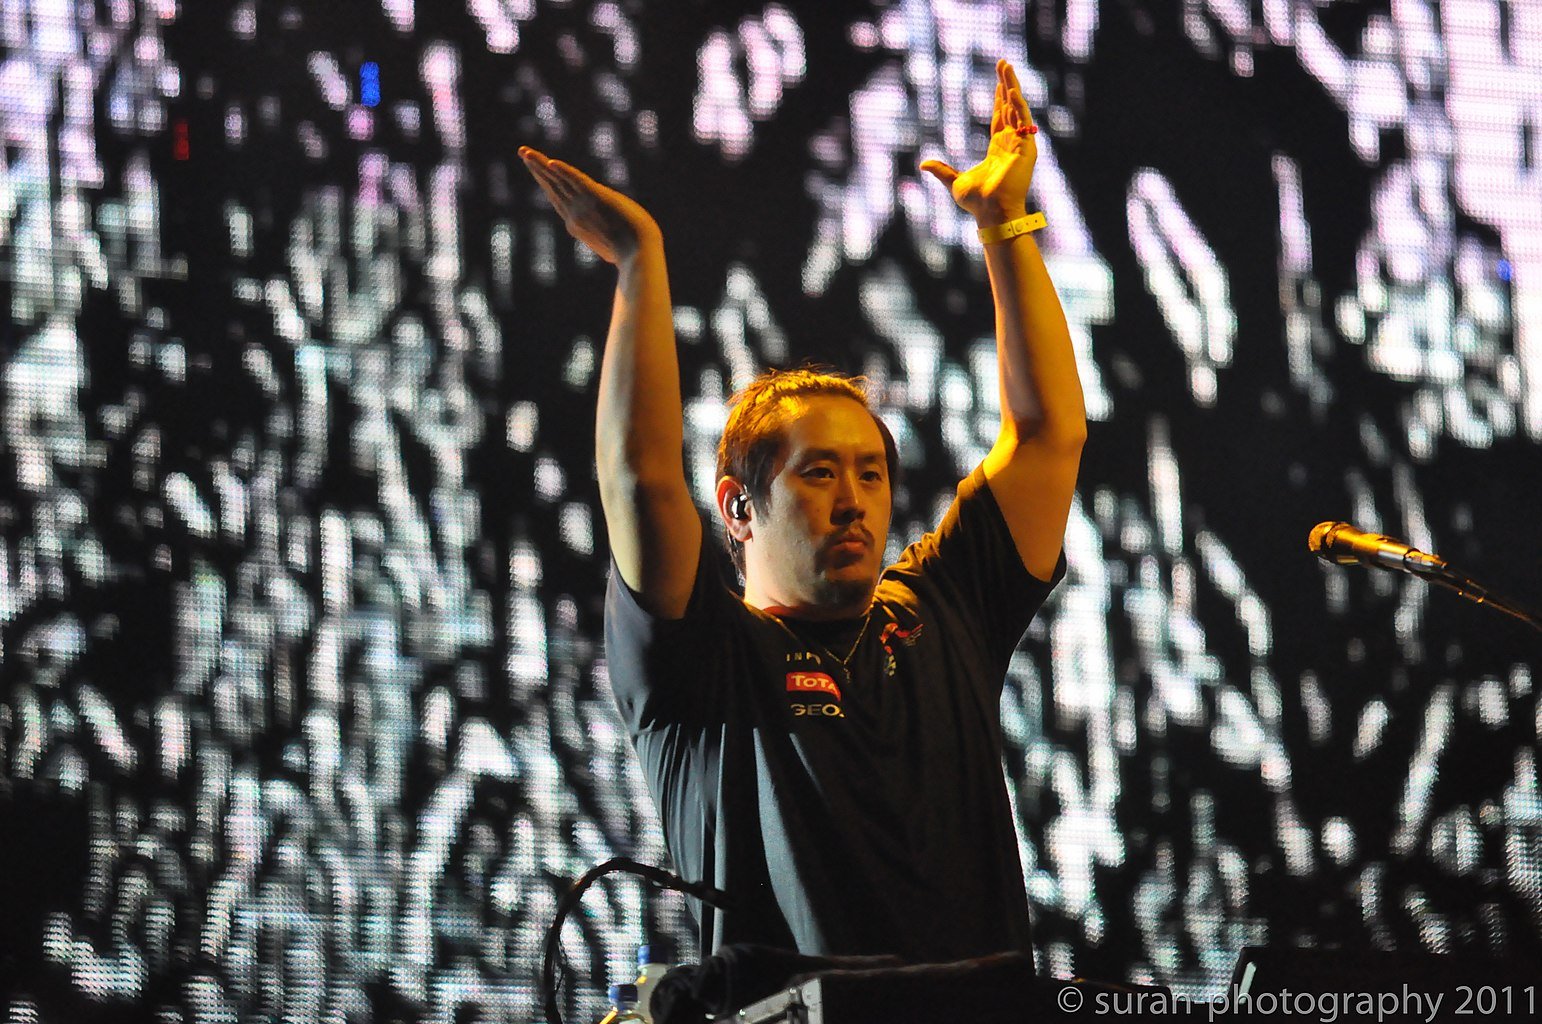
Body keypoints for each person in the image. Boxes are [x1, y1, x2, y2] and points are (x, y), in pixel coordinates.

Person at [520, 59, 1084, 963]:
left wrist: (1005, 227)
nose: (855, 500)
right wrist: (639, 265)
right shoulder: (702, 661)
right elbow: (641, 477)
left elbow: (1048, 436)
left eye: (872, 473)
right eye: (820, 474)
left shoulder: (943, 610)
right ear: (738, 508)